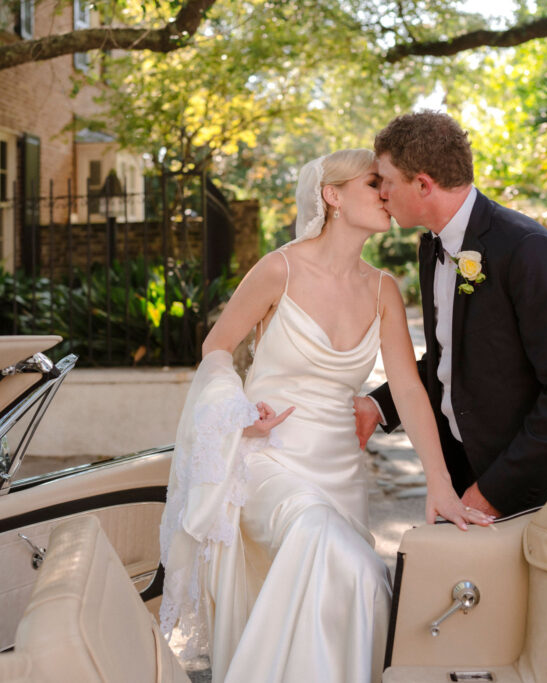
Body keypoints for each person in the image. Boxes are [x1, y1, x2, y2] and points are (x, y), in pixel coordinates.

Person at [158, 148, 493, 683]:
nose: (387, 194)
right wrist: (235, 411)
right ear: (332, 196)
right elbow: (216, 347)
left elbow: (408, 388)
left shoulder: (384, 287)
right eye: (373, 184)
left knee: (339, 583)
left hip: (340, 472)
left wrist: (440, 483)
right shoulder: (279, 269)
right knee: (342, 557)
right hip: (270, 462)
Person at [355, 112, 547, 518]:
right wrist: (379, 406)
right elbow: (449, 358)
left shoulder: (528, 249)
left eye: (386, 180)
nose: (381, 193)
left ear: (423, 184)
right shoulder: (431, 247)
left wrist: (493, 489)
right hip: (466, 474)